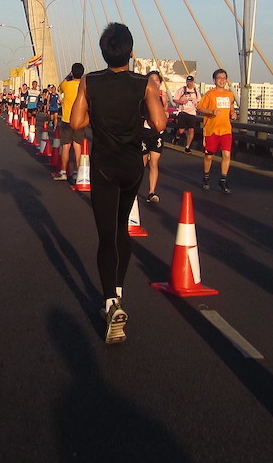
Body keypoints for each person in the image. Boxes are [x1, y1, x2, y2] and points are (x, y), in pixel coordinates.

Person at [70, 23, 166, 344]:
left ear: (103, 51)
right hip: (131, 167)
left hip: (104, 167)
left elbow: (77, 123)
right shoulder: (143, 84)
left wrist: (94, 107)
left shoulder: (90, 81)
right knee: (123, 229)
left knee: (106, 235)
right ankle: (120, 294)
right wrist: (144, 99)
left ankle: (110, 302)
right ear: (131, 51)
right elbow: (160, 122)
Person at [196, 68, 237, 193]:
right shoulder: (210, 94)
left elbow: (231, 107)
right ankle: (206, 177)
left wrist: (233, 113)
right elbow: (200, 108)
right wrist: (211, 112)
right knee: (209, 156)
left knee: (226, 154)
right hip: (211, 129)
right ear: (214, 80)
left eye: (224, 78)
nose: (222, 80)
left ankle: (223, 180)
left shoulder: (230, 94)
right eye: (219, 78)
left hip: (225, 129)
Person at [143, 70, 170, 204]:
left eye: (157, 80)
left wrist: (165, 104)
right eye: (151, 79)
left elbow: (165, 115)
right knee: (142, 162)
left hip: (157, 133)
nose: (155, 82)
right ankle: (132, 189)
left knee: (154, 162)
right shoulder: (142, 96)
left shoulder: (163, 97)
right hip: (144, 131)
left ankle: (151, 192)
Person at [56, 63, 86, 183]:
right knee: (78, 146)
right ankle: (76, 173)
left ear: (72, 72)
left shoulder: (66, 85)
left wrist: (68, 76)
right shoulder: (85, 86)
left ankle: (63, 172)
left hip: (67, 120)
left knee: (66, 147)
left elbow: (59, 88)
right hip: (80, 121)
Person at [173, 74, 200, 152]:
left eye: (191, 81)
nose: (189, 83)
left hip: (192, 113)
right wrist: (181, 101)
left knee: (191, 130)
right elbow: (175, 99)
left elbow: (199, 101)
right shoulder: (182, 90)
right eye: (188, 81)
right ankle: (177, 137)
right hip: (183, 112)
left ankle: (187, 147)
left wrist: (197, 104)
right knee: (181, 130)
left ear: (193, 82)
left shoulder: (196, 91)